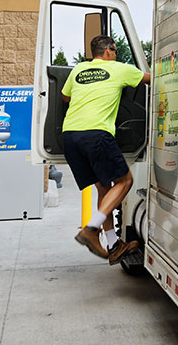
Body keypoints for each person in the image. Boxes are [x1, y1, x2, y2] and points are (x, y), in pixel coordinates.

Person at [61, 35, 150, 264]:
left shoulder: (79, 69)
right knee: (124, 182)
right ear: (110, 50)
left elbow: (64, 96)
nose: (116, 54)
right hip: (96, 134)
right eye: (115, 50)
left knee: (104, 188)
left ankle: (113, 245)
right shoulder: (119, 69)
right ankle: (91, 229)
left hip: (70, 136)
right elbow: (151, 80)